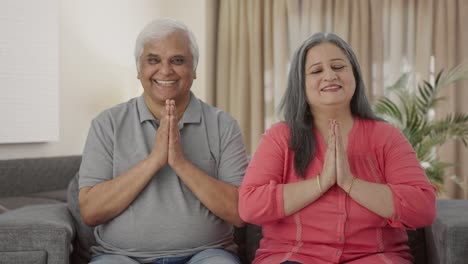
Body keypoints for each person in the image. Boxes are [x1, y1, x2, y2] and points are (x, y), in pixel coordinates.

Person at [238, 32, 436, 264]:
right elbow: (250, 206)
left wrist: (350, 183)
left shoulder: (386, 136)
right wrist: (321, 182)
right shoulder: (280, 136)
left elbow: (423, 207)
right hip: (293, 257)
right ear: (300, 84)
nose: (330, 76)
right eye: (316, 71)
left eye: (338, 67)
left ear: (354, 75)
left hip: (374, 257)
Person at [78, 18, 248, 264]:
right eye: (153, 60)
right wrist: (154, 161)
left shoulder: (224, 125)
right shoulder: (106, 124)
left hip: (207, 254)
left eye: (177, 61)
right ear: (139, 69)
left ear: (194, 69)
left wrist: (180, 163)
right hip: (120, 257)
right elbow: (90, 212)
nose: (165, 70)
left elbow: (239, 212)